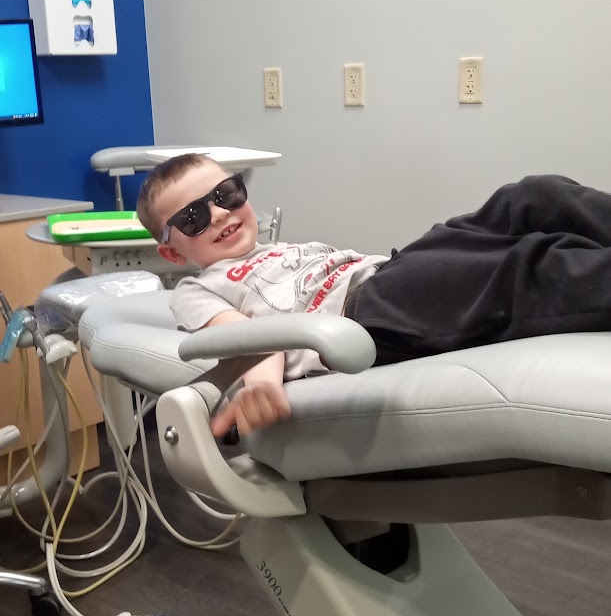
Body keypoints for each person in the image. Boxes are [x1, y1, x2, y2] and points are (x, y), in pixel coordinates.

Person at [137, 152, 611, 437]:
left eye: (225, 195)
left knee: (527, 197)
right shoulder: (196, 289)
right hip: (363, 315)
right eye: (193, 217)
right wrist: (261, 383)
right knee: (528, 267)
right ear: (172, 253)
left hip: (393, 269)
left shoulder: (278, 249)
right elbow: (245, 337)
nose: (219, 214)